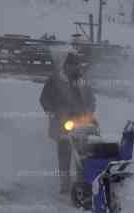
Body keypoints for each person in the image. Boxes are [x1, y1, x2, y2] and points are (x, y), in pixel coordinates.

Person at [40, 51, 97, 195]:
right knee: (64, 154)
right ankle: (65, 186)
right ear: (67, 66)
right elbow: (44, 99)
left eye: (78, 66)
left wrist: (90, 112)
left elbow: (91, 99)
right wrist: (52, 112)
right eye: (74, 66)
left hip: (81, 123)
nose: (77, 69)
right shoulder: (55, 80)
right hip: (62, 123)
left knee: (83, 154)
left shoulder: (83, 81)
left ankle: (82, 182)